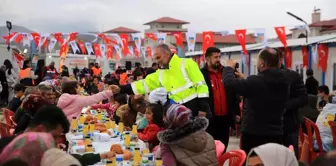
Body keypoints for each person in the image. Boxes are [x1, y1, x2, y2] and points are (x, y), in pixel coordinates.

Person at [112, 44, 211, 118]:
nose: (157, 61)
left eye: (158, 57)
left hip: (195, 109)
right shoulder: (160, 73)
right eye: (155, 59)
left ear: (167, 54)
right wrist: (120, 88)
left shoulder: (187, 63)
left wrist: (203, 108)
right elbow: (143, 84)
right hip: (177, 112)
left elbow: (201, 86)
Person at [222, 48, 290, 154]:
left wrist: (228, 68)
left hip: (254, 135)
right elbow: (263, 89)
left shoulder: (255, 81)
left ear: (262, 63)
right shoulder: (284, 81)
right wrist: (245, 80)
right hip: (275, 134)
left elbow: (229, 83)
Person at [200, 47, 240, 151]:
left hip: (225, 119)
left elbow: (233, 93)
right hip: (210, 119)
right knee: (210, 149)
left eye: (219, 57)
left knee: (223, 147)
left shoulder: (226, 73)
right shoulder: (201, 74)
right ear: (207, 59)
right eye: (215, 57)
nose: (218, 59)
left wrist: (236, 113)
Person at [278, 49, 308, 158]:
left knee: (290, 158)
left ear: (281, 60)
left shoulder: (292, 76)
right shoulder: (262, 76)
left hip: (289, 124)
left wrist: (284, 106)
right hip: (269, 127)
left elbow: (303, 98)